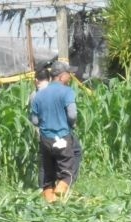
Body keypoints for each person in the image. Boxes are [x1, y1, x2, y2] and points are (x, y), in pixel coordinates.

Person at [29, 60, 81, 202]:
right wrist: (70, 125)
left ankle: (50, 203)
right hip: (62, 137)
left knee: (48, 173)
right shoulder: (67, 91)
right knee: (67, 171)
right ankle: (60, 190)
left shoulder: (38, 95)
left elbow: (34, 120)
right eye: (68, 74)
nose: (70, 77)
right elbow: (72, 114)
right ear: (61, 76)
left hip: (46, 139)